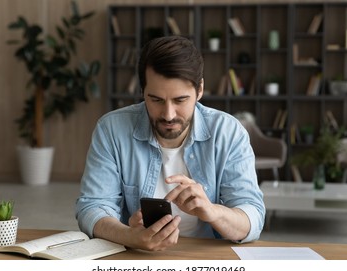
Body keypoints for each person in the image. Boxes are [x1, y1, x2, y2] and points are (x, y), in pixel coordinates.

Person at [76, 36, 265, 251]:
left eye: (180, 100)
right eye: (156, 100)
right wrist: (130, 236)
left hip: (205, 259)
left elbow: (253, 217)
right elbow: (92, 207)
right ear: (142, 92)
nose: (168, 115)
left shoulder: (228, 132)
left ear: (200, 90)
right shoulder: (111, 129)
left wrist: (212, 211)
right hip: (136, 259)